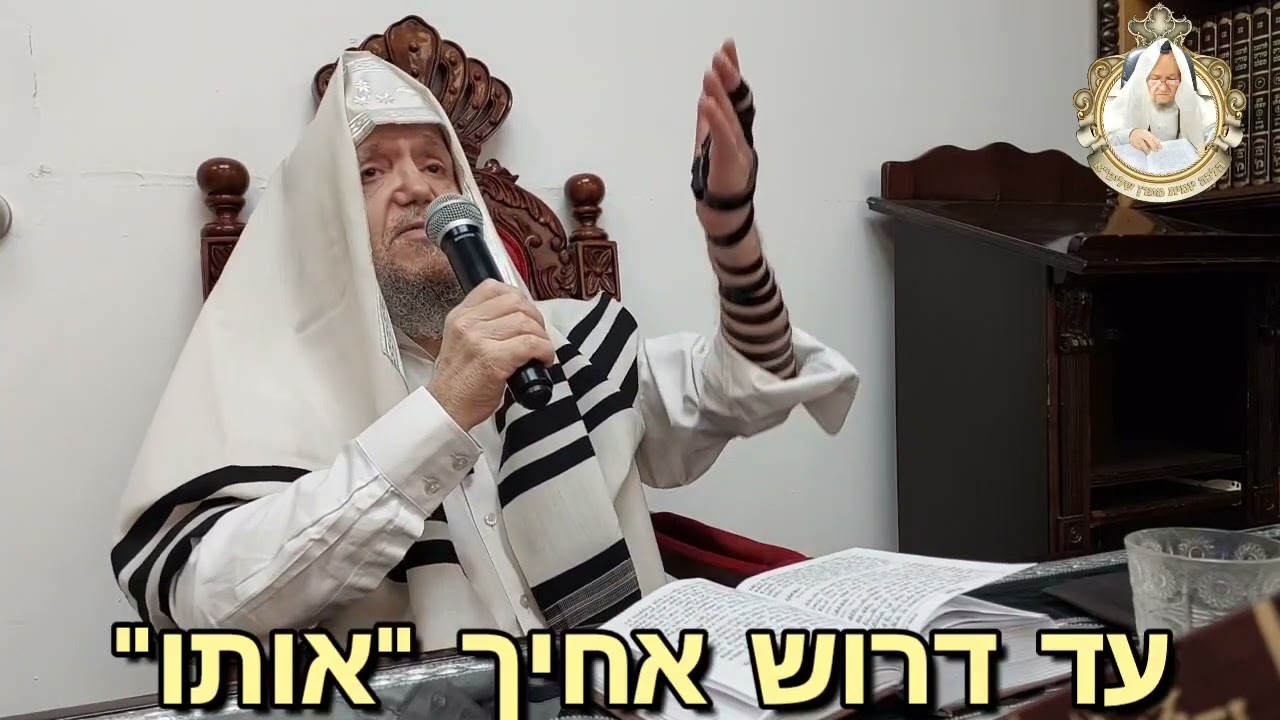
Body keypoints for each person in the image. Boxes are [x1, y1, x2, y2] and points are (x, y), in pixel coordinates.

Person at [110, 43, 858, 651]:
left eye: (436, 165)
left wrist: (731, 232)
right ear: (324, 222)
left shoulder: (563, 340)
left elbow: (747, 381)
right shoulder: (270, 389)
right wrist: (439, 414)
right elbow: (204, 601)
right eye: (371, 170)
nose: (417, 188)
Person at [1106, 39, 1216, 159]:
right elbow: (1106, 135)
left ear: (1182, 80)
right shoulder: (1129, 99)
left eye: (1171, 79)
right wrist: (1130, 135)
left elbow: (1214, 130)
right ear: (1144, 79)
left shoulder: (1192, 101)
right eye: (1155, 79)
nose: (1163, 88)